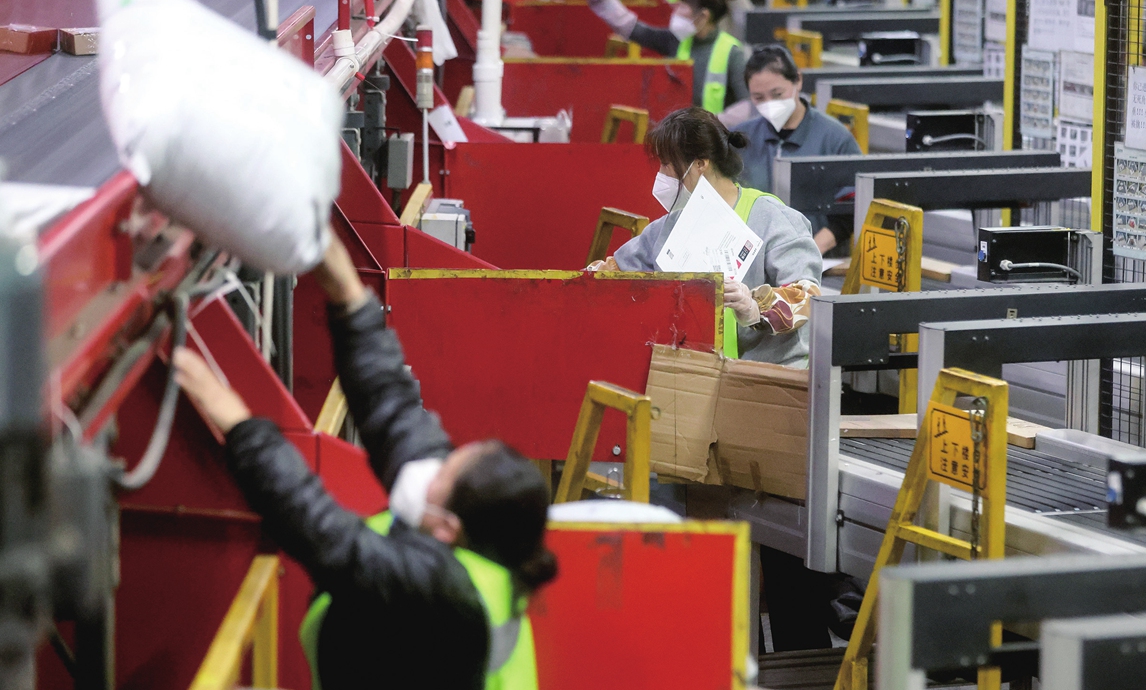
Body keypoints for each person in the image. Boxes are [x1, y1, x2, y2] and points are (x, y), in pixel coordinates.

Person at [172, 235, 557, 690]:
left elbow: (324, 533)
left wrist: (234, 419)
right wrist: (350, 299)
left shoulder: (446, 598)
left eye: (444, 473)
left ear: (449, 528)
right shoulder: (485, 549)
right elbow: (396, 415)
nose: (433, 465)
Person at [590, 107, 822, 368]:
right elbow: (609, 275)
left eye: (667, 164)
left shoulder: (773, 218)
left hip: (766, 377)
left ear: (700, 163)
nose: (661, 174)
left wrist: (755, 306)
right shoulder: (669, 227)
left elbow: (808, 295)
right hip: (692, 373)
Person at [733, 45, 862, 255]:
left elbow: (851, 209)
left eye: (777, 94)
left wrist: (808, 252)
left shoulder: (834, 138)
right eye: (758, 98)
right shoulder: (740, 139)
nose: (769, 104)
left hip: (820, 262)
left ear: (798, 81)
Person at [565, 0, 748, 113]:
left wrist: (716, 124)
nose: (674, 12)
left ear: (703, 16)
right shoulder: (675, 41)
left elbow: (748, 107)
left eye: (681, 7)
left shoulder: (733, 54)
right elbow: (630, 27)